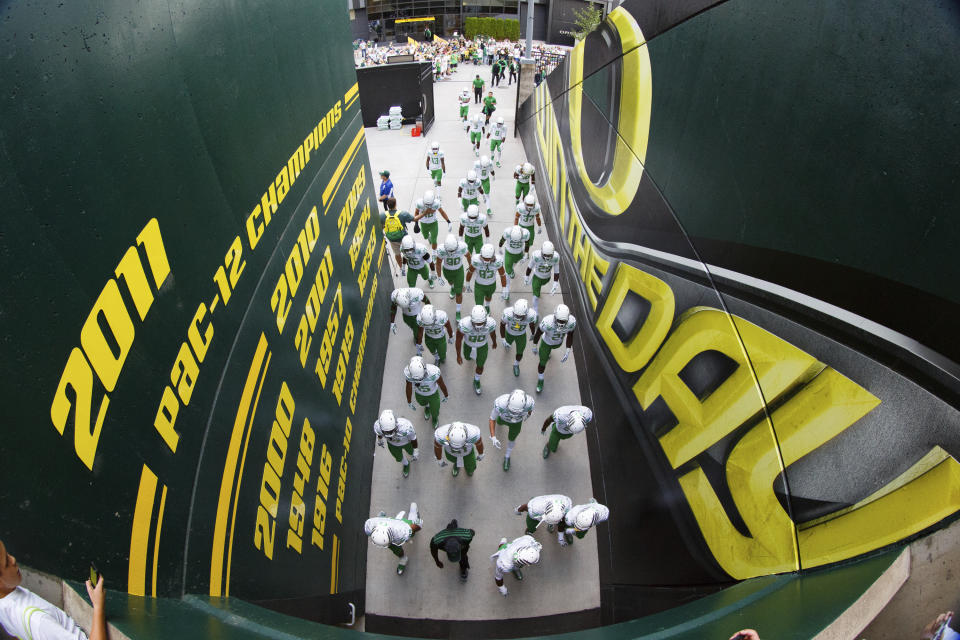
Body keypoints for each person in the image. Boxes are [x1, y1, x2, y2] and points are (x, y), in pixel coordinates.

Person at [0, 540, 106, 640]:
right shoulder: (39, 621)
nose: (13, 559)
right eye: (6, 563)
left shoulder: (5, 600)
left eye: (7, 554)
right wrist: (98, 605)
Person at [364, 503, 422, 575]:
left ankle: (414, 511)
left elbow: (415, 527)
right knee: (396, 550)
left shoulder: (402, 530)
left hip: (402, 525)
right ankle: (403, 558)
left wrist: (418, 525)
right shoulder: (370, 527)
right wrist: (381, 517)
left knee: (412, 529)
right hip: (390, 532)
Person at [531, 303, 576, 393]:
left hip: (558, 343)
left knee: (551, 350)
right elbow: (538, 333)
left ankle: (549, 352)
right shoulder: (547, 322)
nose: (561, 323)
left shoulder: (572, 322)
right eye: (559, 320)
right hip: (546, 343)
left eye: (564, 321)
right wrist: (534, 345)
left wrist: (568, 350)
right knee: (542, 363)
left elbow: (570, 335)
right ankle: (541, 380)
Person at [488, 388, 535, 471]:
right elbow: (492, 418)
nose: (514, 414)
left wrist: (529, 414)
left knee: (512, 438)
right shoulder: (501, 403)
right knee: (499, 423)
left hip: (517, 423)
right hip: (503, 418)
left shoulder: (529, 404)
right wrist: (493, 436)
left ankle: (507, 455)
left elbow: (530, 410)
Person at [456, 305, 498, 395]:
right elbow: (458, 340)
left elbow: (493, 334)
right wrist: (458, 355)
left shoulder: (490, 323)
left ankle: (477, 380)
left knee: (480, 365)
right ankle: (469, 357)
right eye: (476, 323)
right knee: (467, 358)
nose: (479, 326)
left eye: (481, 323)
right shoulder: (464, 324)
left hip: (482, 346)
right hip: (468, 345)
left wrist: (494, 342)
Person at [404, 355, 449, 428]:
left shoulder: (433, 372)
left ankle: (435, 418)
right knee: (422, 403)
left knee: (435, 410)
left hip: (433, 394)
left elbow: (441, 383)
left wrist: (446, 394)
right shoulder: (409, 373)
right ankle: (427, 407)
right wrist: (409, 401)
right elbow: (408, 387)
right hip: (419, 394)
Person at [374, 409, 419, 478]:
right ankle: (406, 464)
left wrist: (416, 450)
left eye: (391, 430)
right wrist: (379, 440)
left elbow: (413, 438)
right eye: (386, 431)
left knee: (411, 452)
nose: (389, 433)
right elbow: (380, 434)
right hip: (392, 445)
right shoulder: (378, 428)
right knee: (399, 458)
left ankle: (413, 454)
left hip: (407, 443)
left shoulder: (406, 427)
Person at [499, 298, 537, 377]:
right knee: (507, 344)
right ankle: (507, 342)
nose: (518, 317)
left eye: (521, 316)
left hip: (521, 335)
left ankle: (516, 364)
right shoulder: (507, 313)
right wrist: (503, 338)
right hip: (509, 333)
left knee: (520, 352)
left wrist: (533, 333)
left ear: (526, 314)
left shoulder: (530, 315)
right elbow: (502, 325)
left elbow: (531, 324)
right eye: (516, 315)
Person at [434, 234, 469, 320]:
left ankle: (458, 311)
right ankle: (453, 287)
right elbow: (438, 263)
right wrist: (439, 276)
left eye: (453, 250)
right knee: (450, 283)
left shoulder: (462, 247)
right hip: (447, 270)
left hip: (458, 271)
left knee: (459, 292)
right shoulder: (441, 249)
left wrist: (471, 266)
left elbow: (468, 256)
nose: (452, 253)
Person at [464, 243, 507, 313]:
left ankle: (487, 306)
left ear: (493, 256)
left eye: (489, 258)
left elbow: (502, 275)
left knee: (488, 297)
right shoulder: (476, 260)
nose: (486, 261)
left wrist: (504, 288)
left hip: (491, 285)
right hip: (479, 286)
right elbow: (470, 271)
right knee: (478, 307)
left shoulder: (498, 262)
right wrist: (467, 283)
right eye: (485, 258)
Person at [524, 240, 560, 314]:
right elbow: (529, 267)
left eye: (549, 255)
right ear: (541, 252)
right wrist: (526, 276)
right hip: (537, 277)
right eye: (545, 255)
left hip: (547, 277)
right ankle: (535, 311)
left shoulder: (556, 257)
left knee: (539, 287)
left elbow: (556, 271)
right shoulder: (536, 256)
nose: (547, 257)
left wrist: (555, 283)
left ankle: (535, 285)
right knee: (536, 296)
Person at [380, 197, 415, 273]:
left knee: (397, 254)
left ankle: (401, 268)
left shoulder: (382, 215)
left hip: (392, 239)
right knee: (408, 251)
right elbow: (414, 219)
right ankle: (412, 266)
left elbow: (381, 227)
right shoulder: (402, 214)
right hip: (403, 238)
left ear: (387, 205)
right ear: (395, 204)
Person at [498, 225, 530, 300]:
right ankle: (506, 292)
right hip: (509, 253)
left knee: (513, 266)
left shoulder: (526, 233)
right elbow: (502, 240)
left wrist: (526, 253)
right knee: (507, 272)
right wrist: (499, 247)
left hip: (519, 253)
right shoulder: (507, 232)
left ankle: (511, 271)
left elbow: (527, 243)